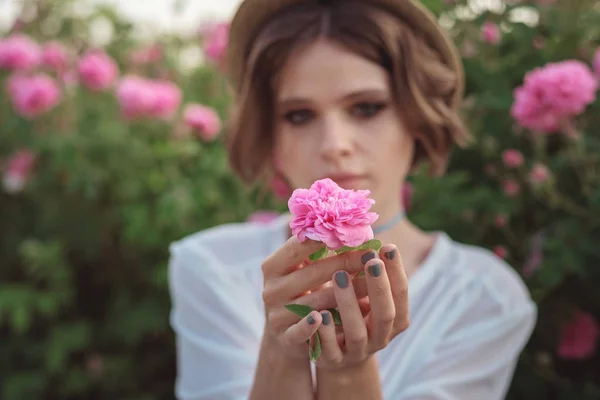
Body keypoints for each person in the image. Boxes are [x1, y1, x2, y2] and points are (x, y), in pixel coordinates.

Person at [168, 0, 537, 398]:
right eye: (298, 115)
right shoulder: (212, 267)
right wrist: (282, 347)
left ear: (418, 116)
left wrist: (348, 370)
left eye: (366, 108)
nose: (334, 145)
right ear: (271, 133)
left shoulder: (485, 296)